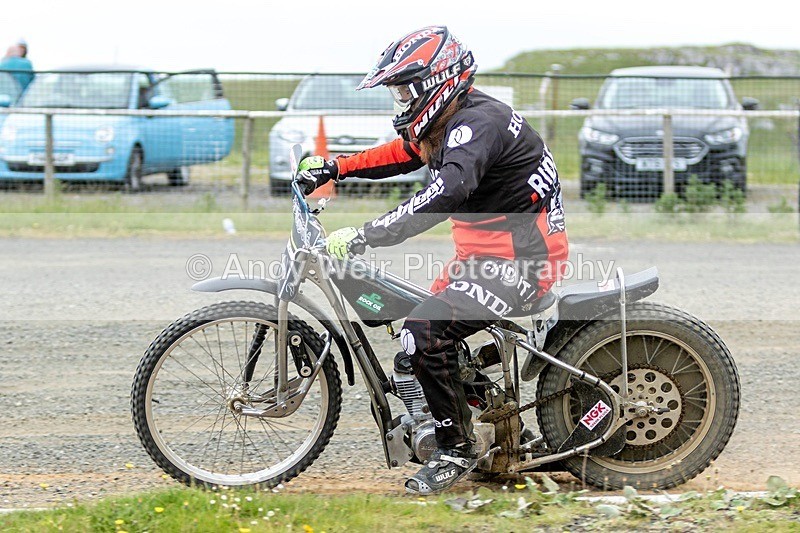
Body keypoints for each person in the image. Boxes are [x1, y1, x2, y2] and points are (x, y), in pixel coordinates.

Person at [295, 26, 569, 494]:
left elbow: (445, 192)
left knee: (424, 334)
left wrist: (365, 235)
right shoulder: (454, 121)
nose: (400, 102)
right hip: (483, 258)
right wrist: (335, 165)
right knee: (411, 340)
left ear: (435, 82)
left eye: (404, 90)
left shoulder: (476, 124)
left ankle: (455, 451)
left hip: (521, 265)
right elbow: (403, 154)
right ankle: (503, 434)